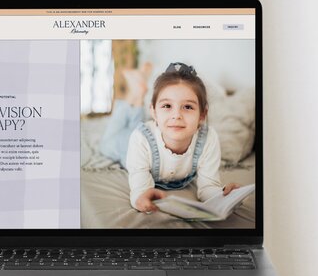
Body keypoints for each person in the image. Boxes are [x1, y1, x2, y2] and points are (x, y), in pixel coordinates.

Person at [99, 62, 239, 213]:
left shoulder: (208, 139)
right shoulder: (140, 139)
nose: (176, 115)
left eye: (187, 107)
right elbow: (140, 190)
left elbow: (208, 187)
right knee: (108, 141)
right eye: (167, 106)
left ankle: (138, 91)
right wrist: (141, 197)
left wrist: (223, 195)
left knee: (135, 125)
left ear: (202, 115)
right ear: (153, 111)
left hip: (150, 134)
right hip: (129, 146)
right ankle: (134, 93)